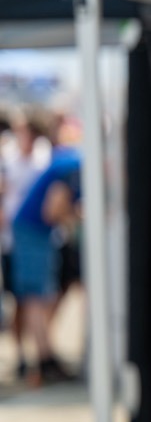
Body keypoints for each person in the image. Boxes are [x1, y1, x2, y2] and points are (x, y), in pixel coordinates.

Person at [8, 121, 79, 387]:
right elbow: (52, 211)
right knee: (36, 296)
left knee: (39, 296)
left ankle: (45, 357)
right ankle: (45, 360)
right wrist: (76, 217)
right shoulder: (76, 167)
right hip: (33, 232)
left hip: (33, 232)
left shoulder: (72, 160)